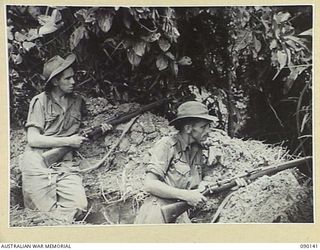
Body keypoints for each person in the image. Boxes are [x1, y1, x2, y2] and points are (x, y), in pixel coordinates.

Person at [20, 53, 111, 222]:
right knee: (43, 214)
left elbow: (83, 127)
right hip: (37, 163)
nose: (73, 82)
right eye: (67, 79)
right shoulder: (40, 101)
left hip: (64, 163)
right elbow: (33, 139)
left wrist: (101, 129)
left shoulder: (77, 101)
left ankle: (62, 223)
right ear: (55, 81)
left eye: (73, 77)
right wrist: (68, 141)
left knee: (80, 205)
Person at [134, 101, 218, 224]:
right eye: (203, 126)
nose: (208, 130)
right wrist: (186, 195)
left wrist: (203, 185)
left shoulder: (197, 149)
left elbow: (199, 178)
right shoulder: (167, 145)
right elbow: (150, 184)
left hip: (179, 214)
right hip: (156, 213)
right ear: (188, 128)